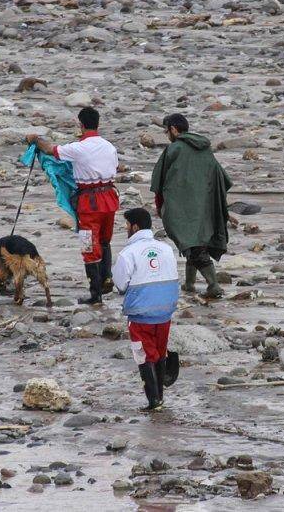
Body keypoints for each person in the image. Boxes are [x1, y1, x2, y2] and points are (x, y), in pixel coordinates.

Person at [27, 107, 119, 305]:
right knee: (105, 239)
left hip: (89, 202)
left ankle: (95, 294)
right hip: (110, 198)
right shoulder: (109, 146)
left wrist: (36, 139)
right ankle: (107, 277)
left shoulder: (79, 148)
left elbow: (51, 150)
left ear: (81, 125)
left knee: (88, 244)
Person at [150, 113, 233, 298]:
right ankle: (189, 284)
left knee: (192, 245)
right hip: (206, 206)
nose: (167, 134)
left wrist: (160, 206)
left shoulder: (174, 149)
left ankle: (213, 285)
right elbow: (221, 178)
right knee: (194, 242)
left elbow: (159, 182)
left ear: (173, 129)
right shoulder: (206, 149)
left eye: (166, 131)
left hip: (182, 208)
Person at [112, 208, 179, 411]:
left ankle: (153, 401)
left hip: (141, 314)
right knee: (159, 352)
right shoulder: (166, 248)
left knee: (144, 355)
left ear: (135, 226)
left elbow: (121, 285)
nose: (125, 229)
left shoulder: (127, 253)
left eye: (126, 225)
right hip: (165, 311)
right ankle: (160, 396)